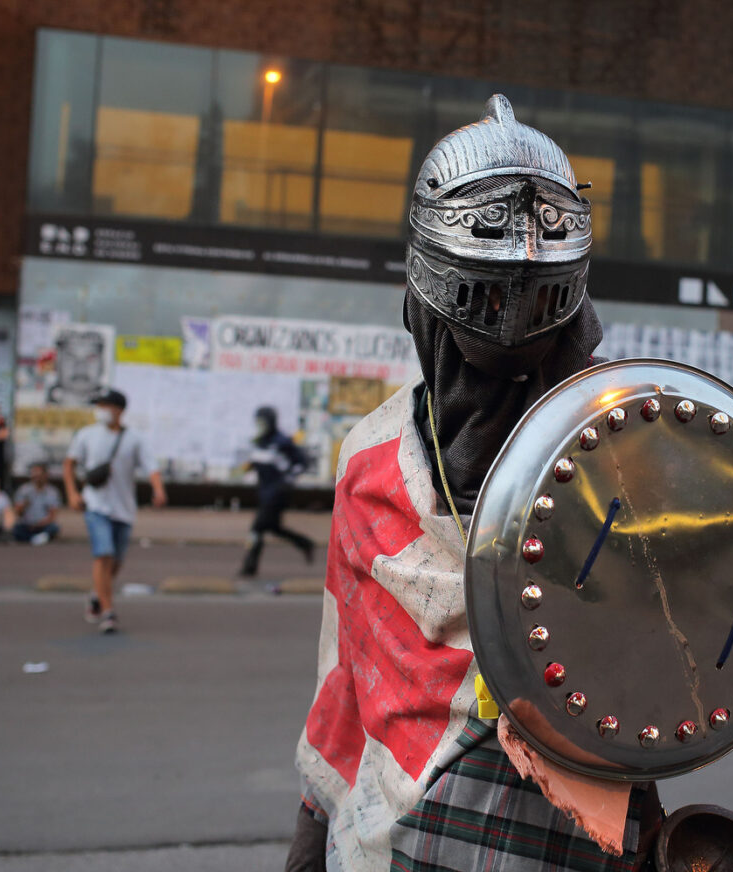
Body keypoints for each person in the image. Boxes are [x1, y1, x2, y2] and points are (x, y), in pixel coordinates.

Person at [288, 95, 659, 872]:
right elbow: (344, 678)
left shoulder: (626, 454)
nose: (506, 320)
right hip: (383, 839)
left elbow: (674, 677)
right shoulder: (373, 456)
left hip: (567, 846)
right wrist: (308, 834)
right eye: (484, 300)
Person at [63, 389, 166, 634]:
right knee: (104, 554)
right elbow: (69, 464)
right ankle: (109, 612)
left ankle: (97, 594)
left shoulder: (134, 439)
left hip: (124, 509)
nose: (100, 410)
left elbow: (152, 467)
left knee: (116, 561)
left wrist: (159, 490)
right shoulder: (87, 435)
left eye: (104, 405)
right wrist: (72, 493)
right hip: (96, 505)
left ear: (118, 409)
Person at [239, 406, 314, 577]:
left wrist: (288, 480)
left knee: (257, 528)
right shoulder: (260, 441)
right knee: (273, 528)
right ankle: (304, 543)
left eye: (262, 422)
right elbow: (259, 462)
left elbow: (301, 462)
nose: (260, 425)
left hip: (278, 494)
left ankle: (250, 565)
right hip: (265, 493)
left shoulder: (282, 442)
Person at [13, 461, 62, 545]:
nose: (37, 477)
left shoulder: (52, 492)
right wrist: (24, 505)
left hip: (43, 525)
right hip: (27, 525)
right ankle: (36, 539)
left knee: (54, 528)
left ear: (45, 475)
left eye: (39, 475)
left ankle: (33, 539)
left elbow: (53, 514)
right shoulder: (24, 490)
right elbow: (17, 512)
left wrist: (40, 524)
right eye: (34, 475)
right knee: (16, 529)